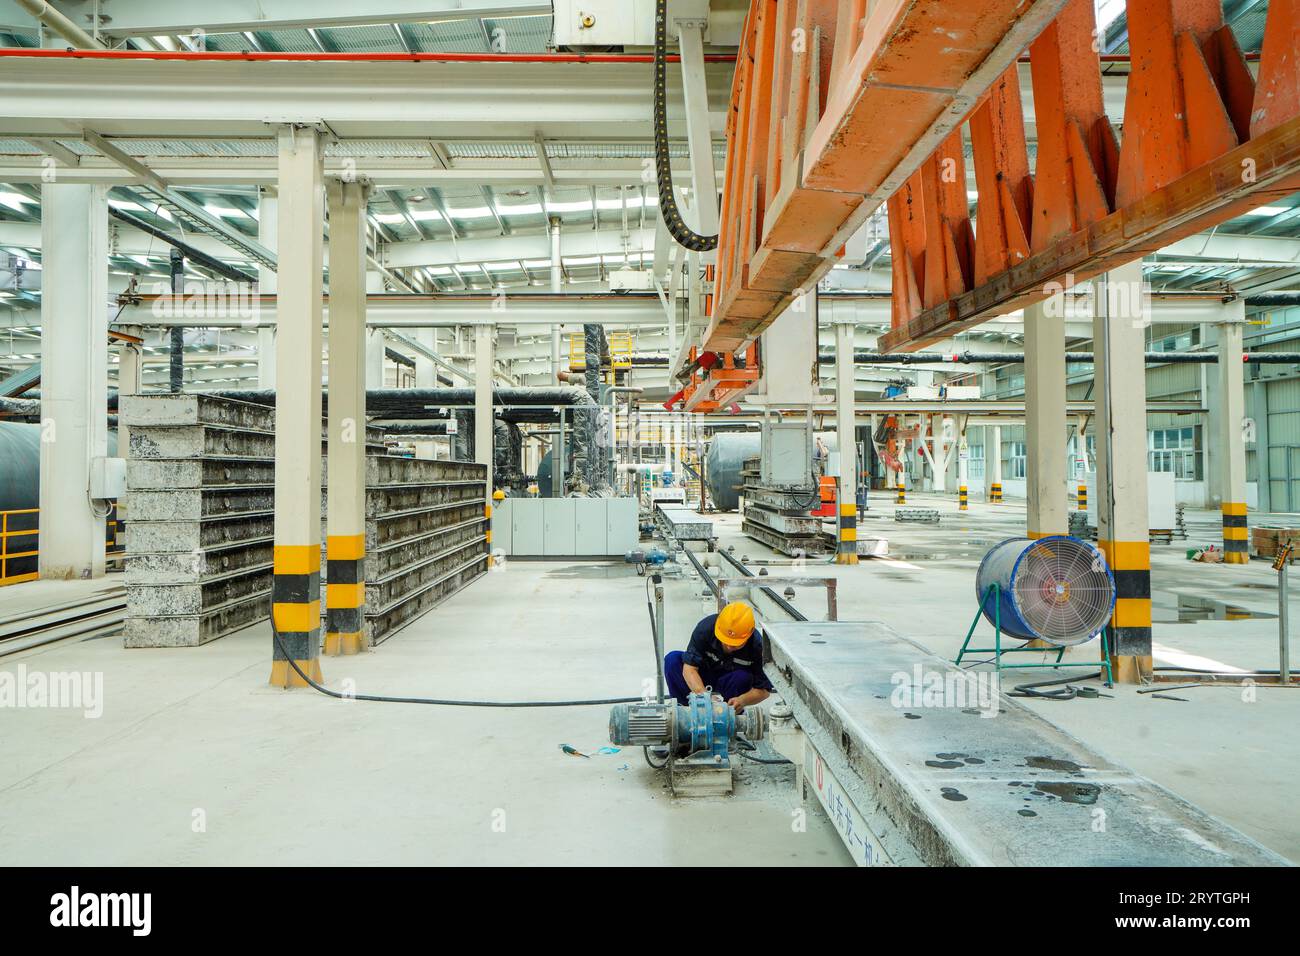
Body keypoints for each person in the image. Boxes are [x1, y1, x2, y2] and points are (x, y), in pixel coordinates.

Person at [664, 602, 773, 711]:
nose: (729, 647)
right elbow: (689, 669)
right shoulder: (705, 629)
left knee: (743, 677)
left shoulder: (757, 646)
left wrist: (742, 700)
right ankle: (684, 710)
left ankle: (729, 714)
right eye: (725, 641)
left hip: (730, 681)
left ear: (749, 635)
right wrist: (704, 697)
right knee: (672, 660)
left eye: (736, 644)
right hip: (703, 674)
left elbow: (764, 690)